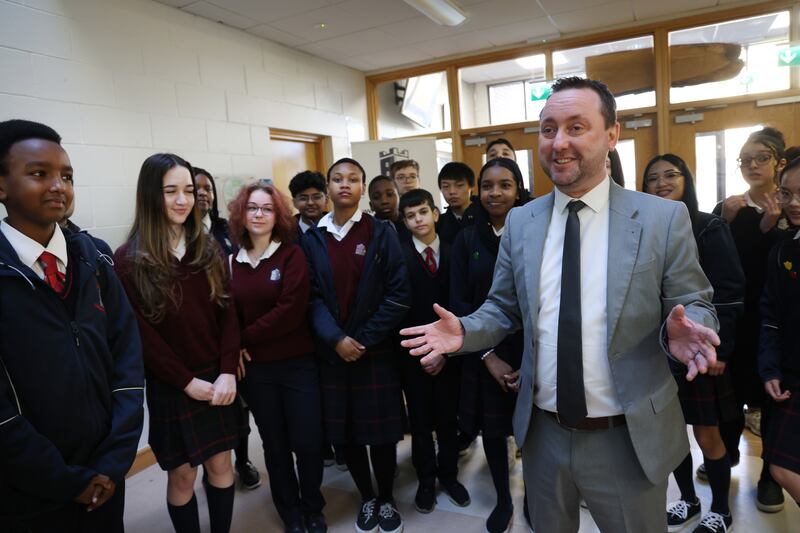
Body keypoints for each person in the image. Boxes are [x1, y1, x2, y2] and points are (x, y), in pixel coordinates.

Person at [401, 77, 720, 533]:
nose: (559, 142)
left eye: (576, 127)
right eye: (548, 129)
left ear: (611, 135)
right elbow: (503, 308)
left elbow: (695, 301)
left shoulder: (661, 219)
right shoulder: (522, 222)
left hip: (625, 435)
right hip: (543, 433)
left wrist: (690, 328)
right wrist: (466, 333)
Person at [0, 119, 144, 532]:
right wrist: (65, 481)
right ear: (2, 186)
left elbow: (127, 360)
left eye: (67, 176)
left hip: (106, 472)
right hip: (27, 488)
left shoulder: (95, 258)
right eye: (38, 174)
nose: (58, 186)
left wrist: (114, 462)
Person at [115, 153, 243, 533]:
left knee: (222, 466)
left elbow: (229, 315)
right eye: (171, 191)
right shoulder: (128, 260)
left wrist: (226, 372)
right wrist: (186, 382)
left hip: (217, 379)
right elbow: (141, 335)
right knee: (182, 477)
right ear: (150, 196)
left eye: (188, 190)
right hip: (173, 384)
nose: (183, 200)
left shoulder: (209, 249)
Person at [302, 158, 410, 533]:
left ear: (362, 188)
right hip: (333, 355)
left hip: (373, 352)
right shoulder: (313, 237)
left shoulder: (381, 233)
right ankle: (366, 497)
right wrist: (336, 339)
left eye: (353, 179)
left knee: (379, 435)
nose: (344, 185)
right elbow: (310, 298)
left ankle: (386, 498)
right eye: (337, 179)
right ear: (328, 187)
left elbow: (398, 294)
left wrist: (361, 340)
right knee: (347, 435)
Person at [643, 154, 745, 533]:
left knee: (707, 433)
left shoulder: (708, 226)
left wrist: (720, 348)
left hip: (701, 350)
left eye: (672, 174)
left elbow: (731, 293)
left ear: (687, 179)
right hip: (658, 353)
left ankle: (721, 510)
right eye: (653, 178)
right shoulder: (645, 230)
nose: (662, 183)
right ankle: (687, 500)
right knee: (671, 435)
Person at [227, 181, 327, 533]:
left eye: (266, 208)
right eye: (252, 207)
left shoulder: (291, 255)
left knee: (308, 441)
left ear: (278, 215)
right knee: (275, 444)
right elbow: (225, 315)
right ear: (241, 213)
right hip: (257, 371)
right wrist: (234, 346)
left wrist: (242, 338)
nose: (258, 214)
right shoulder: (230, 262)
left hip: (297, 364)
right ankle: (290, 512)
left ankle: (313, 506)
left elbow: (290, 310)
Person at [712, 127, 789, 513]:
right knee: (731, 390)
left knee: (775, 393)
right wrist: (729, 223)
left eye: (761, 157)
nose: (753, 165)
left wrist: (770, 228)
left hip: (781, 323)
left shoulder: (791, 209)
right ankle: (725, 456)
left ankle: (770, 478)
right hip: (741, 319)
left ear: (780, 162)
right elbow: (727, 270)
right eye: (745, 159)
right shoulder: (731, 208)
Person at [451, 158, 528, 533]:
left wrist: (531, 358)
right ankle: (503, 498)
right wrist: (487, 356)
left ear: (519, 188)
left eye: (505, 185)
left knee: (535, 430)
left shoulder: (536, 232)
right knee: (495, 432)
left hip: (533, 351)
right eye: (487, 186)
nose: (495, 193)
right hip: (485, 353)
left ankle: (534, 497)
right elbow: (460, 303)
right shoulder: (467, 238)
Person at [397, 188, 470, 515]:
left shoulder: (456, 253)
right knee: (421, 420)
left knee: (447, 418)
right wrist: (424, 351)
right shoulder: (399, 256)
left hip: (450, 354)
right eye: (411, 216)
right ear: (404, 221)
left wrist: (445, 352)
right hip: (413, 354)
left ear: (435, 213)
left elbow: (463, 304)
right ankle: (426, 478)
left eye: (423, 212)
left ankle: (449, 475)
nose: (418, 220)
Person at [193, 167, 260, 491]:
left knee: (239, 407)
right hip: (200, 337)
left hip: (235, 329)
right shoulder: (176, 235)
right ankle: (212, 468)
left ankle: (242, 461)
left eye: (207, 188)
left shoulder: (227, 230)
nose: (203, 193)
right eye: (196, 188)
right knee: (208, 409)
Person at [759, 156, 800, 507]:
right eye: (786, 193)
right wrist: (769, 367)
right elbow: (770, 315)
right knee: (781, 467)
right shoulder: (783, 251)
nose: (794, 204)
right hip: (792, 375)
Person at [437, 161, 478, 245]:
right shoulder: (439, 223)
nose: (452, 192)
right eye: (446, 186)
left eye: (459, 185)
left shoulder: (485, 215)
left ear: (472, 187)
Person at [289, 170, 328, 234]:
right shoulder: (285, 231)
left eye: (316, 197)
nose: (310, 202)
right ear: (294, 202)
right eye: (303, 198)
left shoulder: (338, 226)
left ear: (326, 199)